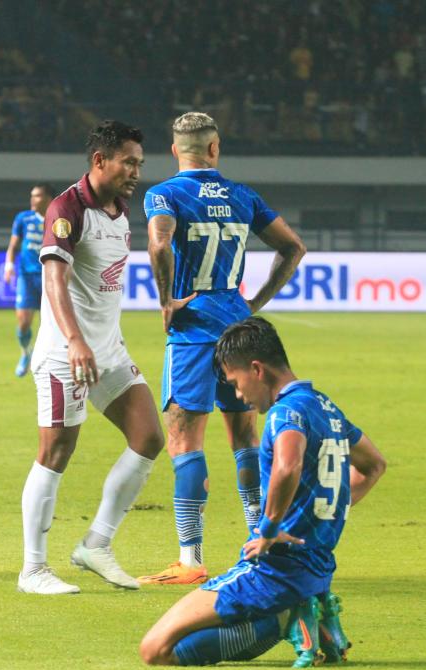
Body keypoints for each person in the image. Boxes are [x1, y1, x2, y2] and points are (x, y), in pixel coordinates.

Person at [139, 316, 387, 668]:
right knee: (180, 643)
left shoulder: (285, 413)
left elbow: (288, 464)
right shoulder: (324, 406)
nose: (238, 395)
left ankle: (283, 618)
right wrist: (326, 511)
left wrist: (269, 529)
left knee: (155, 650)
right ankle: (300, 607)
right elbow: (374, 465)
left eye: (235, 383)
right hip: (316, 567)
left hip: (272, 571)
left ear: (256, 369)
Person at [139, 112, 306, 586]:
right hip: (238, 327)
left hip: (192, 330)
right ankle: (259, 541)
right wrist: (254, 302)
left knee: (184, 441)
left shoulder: (165, 194)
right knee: (245, 438)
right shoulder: (243, 195)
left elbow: (158, 245)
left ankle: (190, 559)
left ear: (176, 151)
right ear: (214, 149)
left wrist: (166, 299)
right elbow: (293, 247)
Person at [17, 120, 165, 595]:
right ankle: (33, 569)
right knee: (56, 452)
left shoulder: (121, 210)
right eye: (129, 162)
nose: (136, 172)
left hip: (109, 351)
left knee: (147, 438)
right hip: (67, 353)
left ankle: (95, 545)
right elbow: (54, 280)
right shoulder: (67, 208)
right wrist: (76, 339)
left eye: (140, 164)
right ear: (100, 161)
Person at [3, 183, 53, 377]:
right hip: (25, 276)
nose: (33, 199)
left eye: (38, 196)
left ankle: (47, 359)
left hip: (49, 277)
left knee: (49, 324)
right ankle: (26, 353)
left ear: (48, 198)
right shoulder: (23, 218)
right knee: (24, 322)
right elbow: (13, 245)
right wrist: (9, 265)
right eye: (32, 195)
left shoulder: (57, 218)